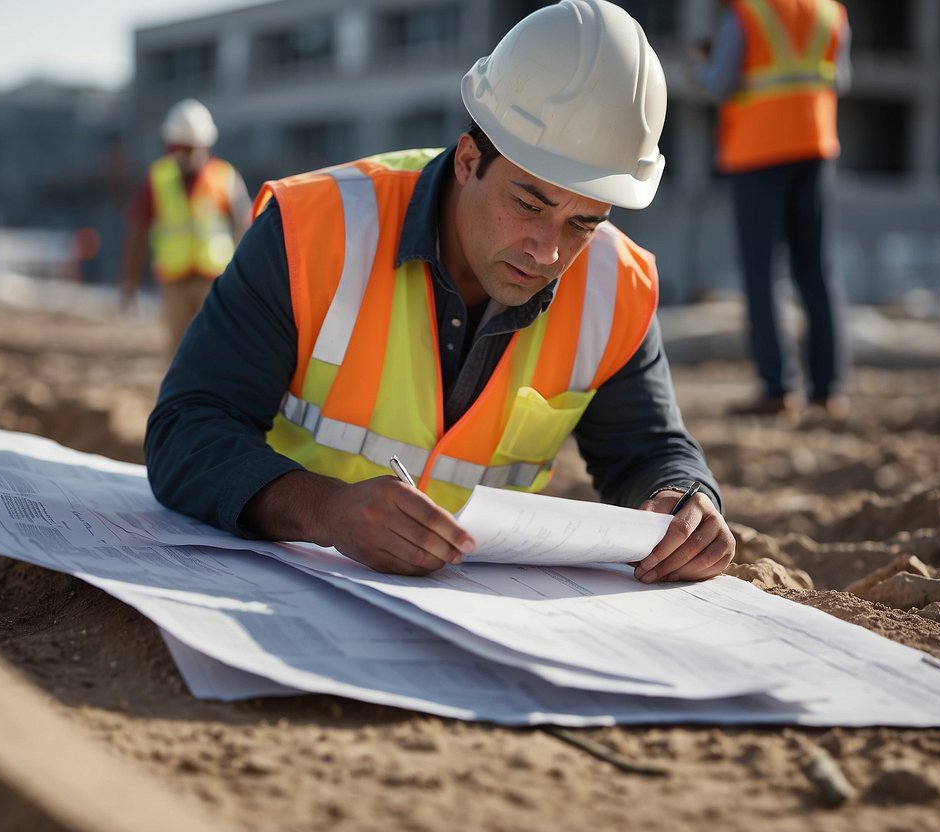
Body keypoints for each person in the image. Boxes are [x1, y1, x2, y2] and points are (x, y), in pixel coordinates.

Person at [146, 0, 736, 582]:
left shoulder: (617, 287)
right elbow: (187, 428)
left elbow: (650, 450)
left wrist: (683, 499)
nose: (548, 251)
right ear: (467, 158)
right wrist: (326, 510)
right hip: (292, 577)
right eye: (529, 203)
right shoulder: (315, 228)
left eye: (585, 222)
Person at [693, 0, 852, 418]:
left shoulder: (747, 13)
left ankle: (777, 388)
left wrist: (703, 66)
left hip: (758, 151)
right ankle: (828, 390)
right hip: (815, 146)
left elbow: (719, 85)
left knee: (762, 273)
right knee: (816, 268)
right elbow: (842, 80)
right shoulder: (829, 12)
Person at [119, 98, 252, 357]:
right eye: (182, 147)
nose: (188, 155)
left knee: (217, 350)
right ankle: (181, 399)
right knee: (180, 353)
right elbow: (137, 231)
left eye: (192, 148)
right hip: (174, 279)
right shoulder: (158, 178)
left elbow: (244, 228)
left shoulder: (224, 177)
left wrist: (245, 280)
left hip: (215, 280)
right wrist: (130, 280)